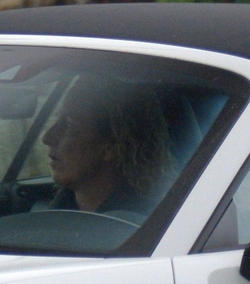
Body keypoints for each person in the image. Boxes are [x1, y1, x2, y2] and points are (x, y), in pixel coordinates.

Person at [39, 76, 170, 218]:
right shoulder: (59, 209)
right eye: (57, 120)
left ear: (111, 147)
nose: (47, 138)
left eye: (69, 126)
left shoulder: (147, 225)